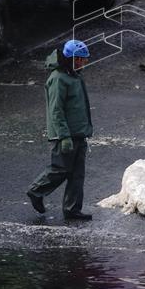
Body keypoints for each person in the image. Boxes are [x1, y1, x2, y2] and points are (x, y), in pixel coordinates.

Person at [26, 39, 94, 221]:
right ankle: (36, 191)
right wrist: (64, 136)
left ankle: (72, 209)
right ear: (69, 58)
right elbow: (56, 110)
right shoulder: (58, 78)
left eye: (83, 59)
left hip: (78, 134)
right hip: (65, 135)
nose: (82, 62)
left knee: (77, 174)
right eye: (79, 59)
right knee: (60, 169)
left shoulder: (74, 75)